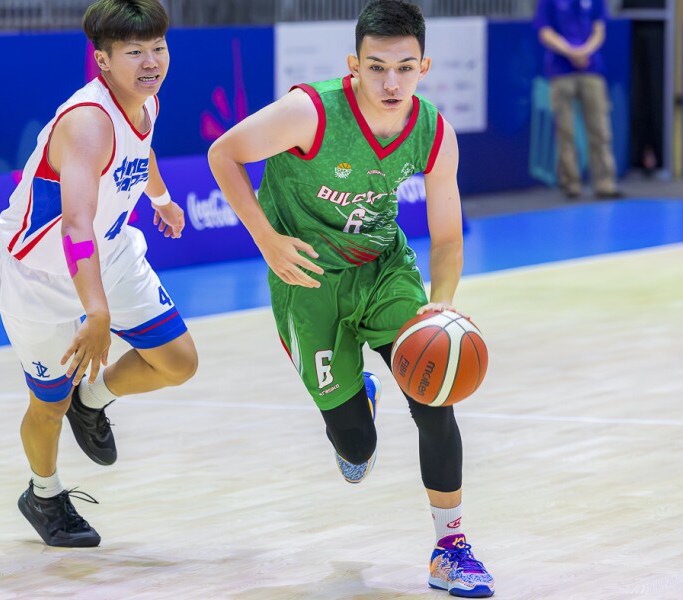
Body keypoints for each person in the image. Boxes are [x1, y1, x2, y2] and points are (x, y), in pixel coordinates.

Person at [207, 0, 494, 596]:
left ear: (425, 66)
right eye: (377, 67)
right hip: (308, 280)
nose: (391, 83)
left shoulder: (434, 132)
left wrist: (440, 303)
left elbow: (447, 237)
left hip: (384, 269)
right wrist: (267, 240)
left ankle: (451, 547)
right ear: (353, 65)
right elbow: (223, 154)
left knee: (433, 393)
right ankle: (355, 402)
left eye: (405, 68)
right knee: (355, 448)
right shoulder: (308, 112)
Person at [0, 0, 197, 548]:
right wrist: (97, 309)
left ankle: (95, 399)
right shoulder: (86, 123)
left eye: (158, 48)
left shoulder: (146, 101)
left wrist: (162, 198)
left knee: (178, 361)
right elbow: (74, 224)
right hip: (38, 270)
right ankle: (44, 493)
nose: (151, 62)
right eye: (135, 52)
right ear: (103, 60)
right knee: (47, 402)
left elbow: (141, 149)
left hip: (108, 248)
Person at [534, 0, 624, 199]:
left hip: (591, 69)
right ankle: (570, 183)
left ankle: (605, 183)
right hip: (560, 70)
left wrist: (585, 51)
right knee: (565, 131)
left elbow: (599, 29)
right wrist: (570, 51)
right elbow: (545, 32)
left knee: (600, 128)